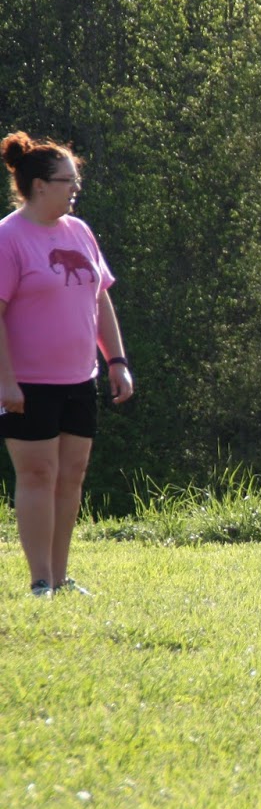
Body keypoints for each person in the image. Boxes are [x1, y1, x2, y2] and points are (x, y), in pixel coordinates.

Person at [0, 132, 134, 598]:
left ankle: (60, 576)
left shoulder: (79, 231)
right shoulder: (8, 238)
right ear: (39, 185)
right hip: (26, 385)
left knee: (70, 477)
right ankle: (40, 581)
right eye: (67, 181)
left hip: (80, 379)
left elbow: (99, 298)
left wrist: (116, 359)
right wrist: (6, 381)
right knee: (38, 475)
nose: (75, 188)